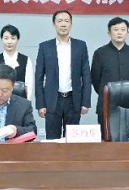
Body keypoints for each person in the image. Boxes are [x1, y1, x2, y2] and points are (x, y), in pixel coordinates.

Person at [35, 10, 92, 139]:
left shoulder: (80, 46)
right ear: (54, 24)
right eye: (59, 21)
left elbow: (86, 75)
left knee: (72, 140)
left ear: (71, 24)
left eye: (66, 21)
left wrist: (86, 102)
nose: (63, 24)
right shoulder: (45, 47)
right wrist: (40, 104)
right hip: (52, 100)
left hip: (73, 100)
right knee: (52, 140)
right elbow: (38, 78)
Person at [90, 16, 129, 137]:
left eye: (123, 29)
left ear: (127, 33)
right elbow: (95, 80)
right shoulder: (100, 53)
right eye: (116, 29)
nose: (119, 32)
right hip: (106, 103)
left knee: (127, 137)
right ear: (109, 33)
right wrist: (106, 92)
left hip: (128, 104)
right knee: (106, 137)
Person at [0, 24, 34, 100]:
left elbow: (29, 85)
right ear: (1, 39)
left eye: (13, 38)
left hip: (20, 101)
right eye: (6, 38)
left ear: (17, 39)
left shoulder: (26, 60)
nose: (9, 42)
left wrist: (25, 102)